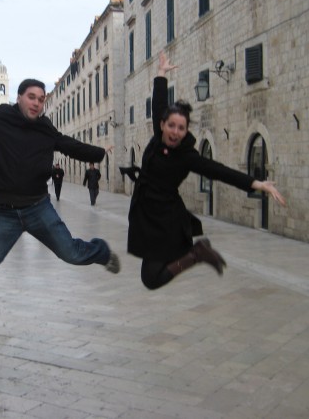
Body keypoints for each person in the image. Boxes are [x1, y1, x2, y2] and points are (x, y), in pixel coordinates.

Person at [0, 36, 120, 299]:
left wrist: (101, 152)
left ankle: (102, 252)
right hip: (3, 212)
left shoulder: (45, 129)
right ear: (18, 97)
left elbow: (69, 145)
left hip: (37, 207)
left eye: (41, 99)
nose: (37, 103)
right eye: (31, 97)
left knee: (72, 253)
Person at [120, 52, 286, 290]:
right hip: (146, 214)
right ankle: (197, 253)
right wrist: (161, 73)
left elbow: (219, 171)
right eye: (172, 126)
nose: (176, 132)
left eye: (181, 128)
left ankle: (197, 254)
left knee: (151, 278)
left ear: (187, 130)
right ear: (162, 125)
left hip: (165, 218)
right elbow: (158, 103)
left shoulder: (187, 156)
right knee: (151, 277)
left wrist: (257, 184)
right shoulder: (158, 139)